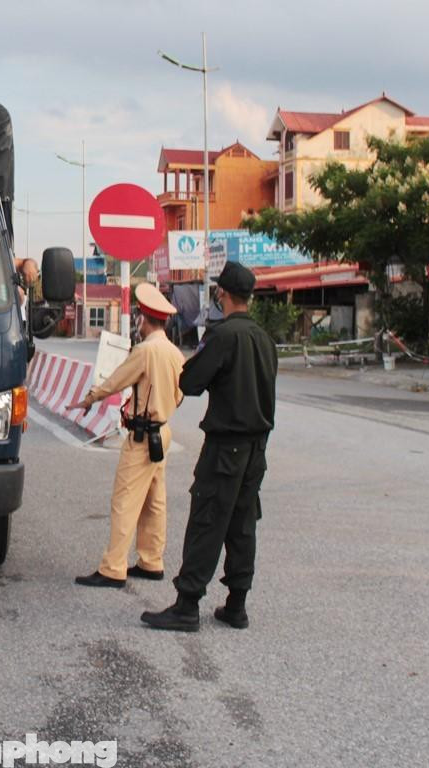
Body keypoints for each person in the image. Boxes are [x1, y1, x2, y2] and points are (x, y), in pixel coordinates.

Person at [141, 261, 277, 632]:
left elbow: (191, 381)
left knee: (207, 521)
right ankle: (237, 605)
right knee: (242, 524)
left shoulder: (223, 335)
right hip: (256, 449)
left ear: (223, 294)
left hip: (226, 446)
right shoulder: (264, 340)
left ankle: (186, 606)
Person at [69, 283, 185, 587]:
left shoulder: (145, 351)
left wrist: (90, 397)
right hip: (163, 431)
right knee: (154, 500)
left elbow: (118, 380)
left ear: (144, 318)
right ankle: (151, 561)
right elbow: (181, 393)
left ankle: (113, 568)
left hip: (142, 436)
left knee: (125, 500)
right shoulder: (175, 353)